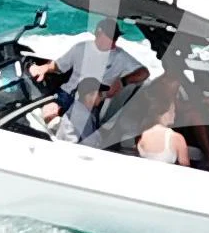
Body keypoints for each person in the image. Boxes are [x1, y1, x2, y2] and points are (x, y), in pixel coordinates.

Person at [46, 13, 152, 145]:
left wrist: (122, 81)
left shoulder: (121, 56)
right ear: (98, 33)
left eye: (116, 37)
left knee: (84, 133)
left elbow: (144, 73)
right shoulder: (81, 48)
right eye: (111, 37)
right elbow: (58, 65)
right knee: (47, 114)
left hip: (92, 99)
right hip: (67, 95)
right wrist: (43, 68)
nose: (114, 41)